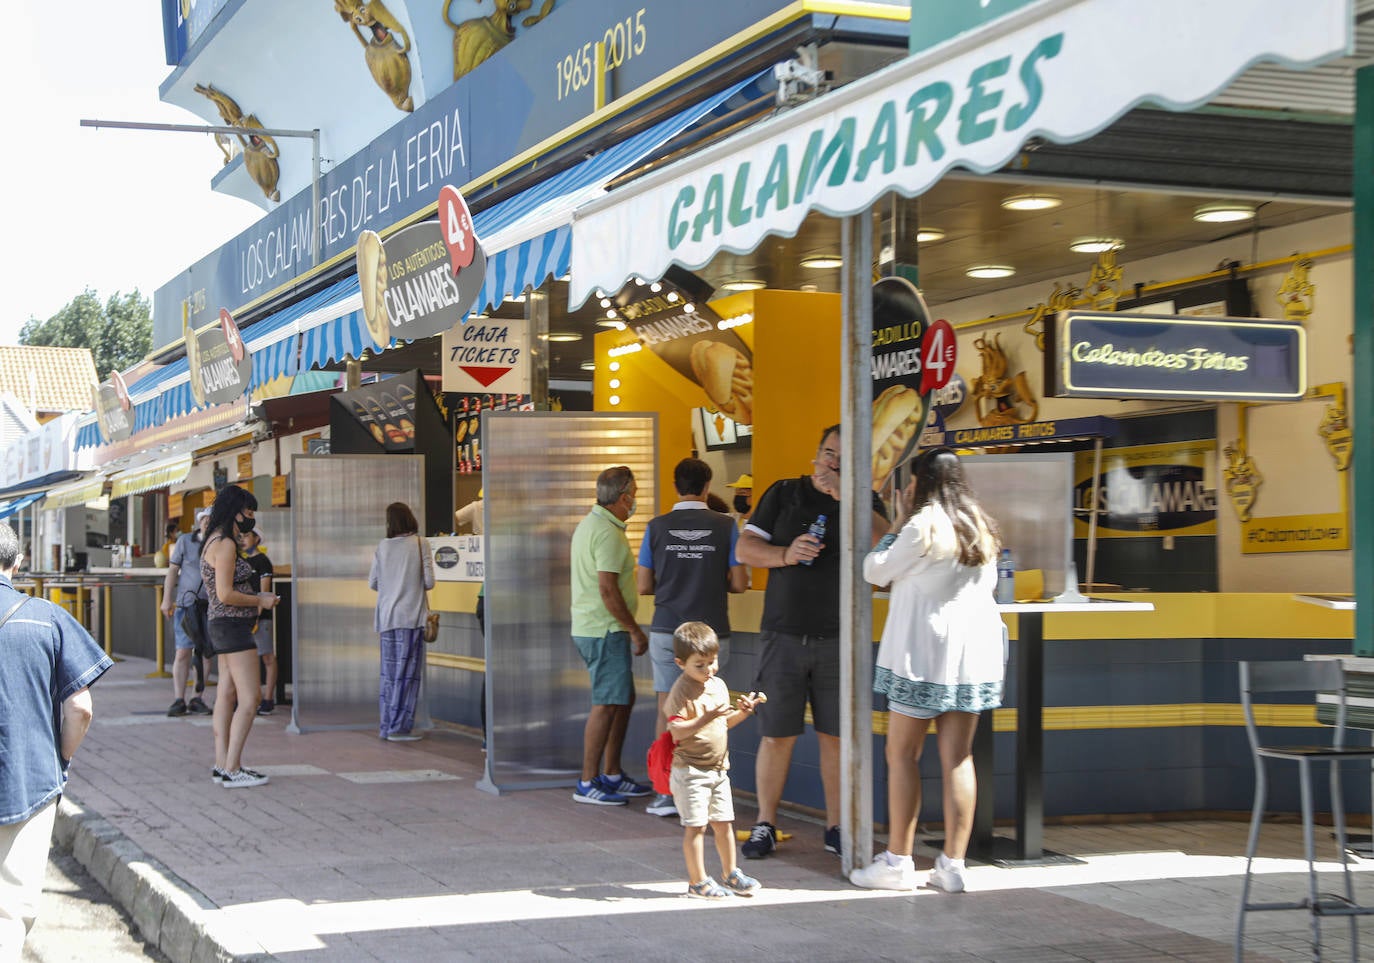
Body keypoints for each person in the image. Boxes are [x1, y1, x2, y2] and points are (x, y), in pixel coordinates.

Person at [850, 448, 1005, 894]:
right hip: (972, 658)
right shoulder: (979, 524)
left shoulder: (923, 525)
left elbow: (874, 570)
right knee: (958, 757)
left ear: (920, 483)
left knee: (902, 755)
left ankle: (898, 861)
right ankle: (953, 865)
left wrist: (896, 522)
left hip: (922, 655)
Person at [734, 425, 887, 859]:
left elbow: (886, 543)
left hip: (840, 637)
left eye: (842, 456)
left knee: (835, 736)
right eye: (827, 452)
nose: (831, 462)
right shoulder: (784, 493)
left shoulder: (866, 501)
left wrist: (847, 495)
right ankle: (765, 823)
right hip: (783, 633)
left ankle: (836, 827)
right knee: (776, 733)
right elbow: (745, 549)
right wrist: (785, 554)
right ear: (815, 454)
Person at [0, 522, 112, 958]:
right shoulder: (45, 617)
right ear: (18, 562)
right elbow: (81, 708)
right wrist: (58, 758)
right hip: (26, 780)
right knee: (8, 913)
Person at [636, 458, 748, 818]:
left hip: (668, 629)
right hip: (713, 632)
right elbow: (740, 583)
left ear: (675, 485)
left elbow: (642, 585)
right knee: (710, 709)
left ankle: (666, 792)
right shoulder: (726, 525)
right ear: (706, 485)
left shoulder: (655, 528)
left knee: (669, 709)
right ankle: (705, 788)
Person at [569, 465, 653, 806]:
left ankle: (613, 773)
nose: (636, 498)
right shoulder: (605, 532)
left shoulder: (593, 525)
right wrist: (634, 629)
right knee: (605, 704)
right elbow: (607, 589)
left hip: (599, 628)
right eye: (635, 491)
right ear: (624, 497)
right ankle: (588, 781)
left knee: (622, 699)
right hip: (606, 630)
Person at [663, 621, 763, 899]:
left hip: (719, 769)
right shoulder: (681, 691)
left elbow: (723, 724)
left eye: (712, 661)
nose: (709, 669)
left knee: (724, 823)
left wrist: (743, 713)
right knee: (696, 827)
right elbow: (676, 730)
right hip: (690, 770)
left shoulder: (717, 685)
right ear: (680, 663)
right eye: (700, 665)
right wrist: (704, 717)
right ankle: (698, 882)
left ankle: (731, 874)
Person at [201, 485, 278, 788]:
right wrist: (261, 599)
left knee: (227, 693)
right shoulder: (226, 545)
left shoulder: (213, 541)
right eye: (248, 512)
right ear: (235, 511)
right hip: (232, 626)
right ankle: (233, 767)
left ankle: (223, 764)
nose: (251, 518)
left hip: (222, 625)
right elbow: (225, 594)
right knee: (251, 697)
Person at [368, 502, 435, 742]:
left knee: (389, 674)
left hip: (387, 618)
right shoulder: (420, 544)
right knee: (407, 674)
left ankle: (386, 725)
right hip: (410, 616)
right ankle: (399, 728)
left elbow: (373, 583)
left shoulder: (382, 547)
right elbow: (429, 582)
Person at [161, 508, 214, 717]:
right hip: (186, 604)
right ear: (199, 522)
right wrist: (167, 599)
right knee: (183, 651)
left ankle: (197, 697)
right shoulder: (185, 541)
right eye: (204, 520)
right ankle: (178, 698)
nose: (207, 523)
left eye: (211, 520)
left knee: (205, 652)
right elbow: (173, 570)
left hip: (210, 605)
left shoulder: (218, 543)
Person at [238, 529, 277, 716]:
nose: (243, 540)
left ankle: (268, 698)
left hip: (261, 618)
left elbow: (264, 591)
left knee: (267, 657)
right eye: (241, 536)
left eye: (247, 536)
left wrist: (257, 615)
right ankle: (252, 698)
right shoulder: (241, 562)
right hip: (244, 617)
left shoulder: (263, 561)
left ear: (256, 538)